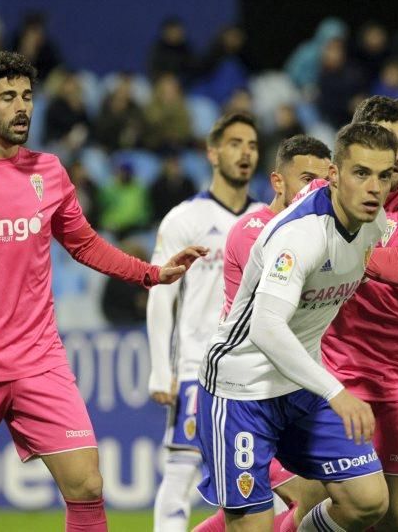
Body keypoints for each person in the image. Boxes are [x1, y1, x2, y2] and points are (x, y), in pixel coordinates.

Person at [0, 51, 206, 532]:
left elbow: (84, 244)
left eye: (26, 96)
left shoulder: (49, 172)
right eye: (7, 98)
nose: (22, 107)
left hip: (39, 359)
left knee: (87, 486)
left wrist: (150, 273)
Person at [196, 122, 397, 531]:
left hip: (300, 388)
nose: (374, 187)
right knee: (254, 524)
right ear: (335, 176)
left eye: (383, 175)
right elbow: (265, 327)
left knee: (367, 501)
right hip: (241, 391)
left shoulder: (374, 224)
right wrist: (336, 392)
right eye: (361, 173)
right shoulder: (301, 236)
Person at [321, 95, 398, 531]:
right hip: (336, 374)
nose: (397, 155)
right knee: (320, 502)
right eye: (387, 141)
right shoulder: (324, 195)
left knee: (394, 520)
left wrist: (341, 247)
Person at [192, 135, 332, 532]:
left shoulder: (316, 231)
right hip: (247, 392)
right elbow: (271, 321)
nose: (316, 190)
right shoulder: (256, 231)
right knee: (297, 497)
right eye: (307, 179)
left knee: (311, 495)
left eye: (325, 180)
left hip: (285, 390)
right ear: (278, 182)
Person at [147, 112, 263, 532]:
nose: (244, 152)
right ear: (212, 153)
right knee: (181, 473)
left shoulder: (268, 220)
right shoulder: (185, 219)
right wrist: (162, 369)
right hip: (199, 365)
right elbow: (161, 293)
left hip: (255, 370)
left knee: (260, 481)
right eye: (234, 143)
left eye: (251, 144)